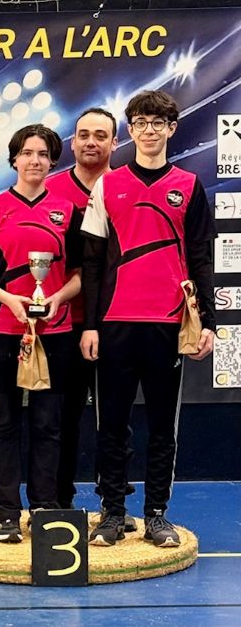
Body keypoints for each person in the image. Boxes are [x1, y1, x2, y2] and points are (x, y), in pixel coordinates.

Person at [81, 90, 215, 548]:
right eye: (141, 122)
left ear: (171, 129)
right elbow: (92, 263)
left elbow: (201, 257)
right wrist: (91, 325)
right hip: (115, 324)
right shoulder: (107, 185)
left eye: (158, 122)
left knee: (162, 427)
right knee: (111, 425)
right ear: (131, 130)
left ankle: (157, 514)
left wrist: (208, 320)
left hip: (167, 323)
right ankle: (113, 513)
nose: (150, 130)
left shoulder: (189, 186)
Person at [0, 124, 82, 543]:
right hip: (3, 331)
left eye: (43, 154)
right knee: (3, 423)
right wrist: (8, 299)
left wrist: (58, 297)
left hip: (56, 332)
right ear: (14, 159)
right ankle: (7, 513)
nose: (35, 161)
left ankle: (44, 507)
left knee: (49, 424)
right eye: (27, 153)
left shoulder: (68, 211)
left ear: (53, 161)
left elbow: (80, 274)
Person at [46, 107, 138, 530]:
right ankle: (58, 504)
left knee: (114, 420)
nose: (91, 142)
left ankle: (112, 504)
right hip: (63, 325)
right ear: (73, 140)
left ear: (115, 142)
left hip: (114, 322)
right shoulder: (50, 189)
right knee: (61, 419)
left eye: (101, 135)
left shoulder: (126, 187)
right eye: (83, 134)